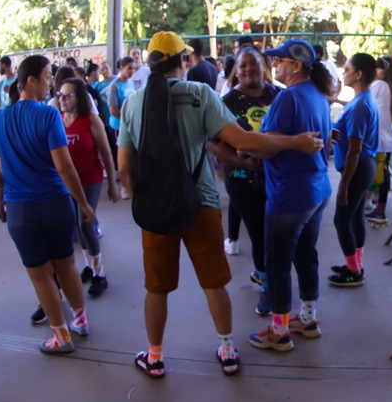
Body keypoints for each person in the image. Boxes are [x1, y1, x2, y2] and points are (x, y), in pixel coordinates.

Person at [117, 32, 323, 378]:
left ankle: (154, 358)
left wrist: (143, 196)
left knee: (157, 288)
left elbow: (124, 167)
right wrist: (295, 142)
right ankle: (227, 351)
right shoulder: (200, 94)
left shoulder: (133, 103)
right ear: (183, 60)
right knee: (213, 283)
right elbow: (242, 140)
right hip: (201, 203)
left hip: (156, 210)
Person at [0, 56, 96, 356]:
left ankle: (61, 336)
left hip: (22, 211)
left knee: (40, 274)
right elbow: (64, 167)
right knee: (67, 265)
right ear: (30, 80)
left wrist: (7, 185)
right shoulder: (49, 115)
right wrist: (83, 203)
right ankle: (81, 321)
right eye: (47, 76)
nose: (51, 84)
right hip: (56, 203)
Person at [246, 39, 333, 352]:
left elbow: (266, 145)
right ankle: (308, 319)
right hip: (316, 190)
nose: (274, 65)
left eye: (279, 60)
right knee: (306, 254)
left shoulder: (288, 97)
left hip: (290, 194)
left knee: (278, 263)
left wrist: (250, 145)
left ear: (296, 66)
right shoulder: (318, 94)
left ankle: (279, 331)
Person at [208, 47, 280, 298]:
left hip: (280, 178)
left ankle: (269, 274)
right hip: (243, 181)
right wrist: (246, 164)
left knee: (278, 232)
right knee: (259, 232)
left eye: (254, 63)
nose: (249, 68)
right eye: (243, 65)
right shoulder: (226, 102)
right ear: (236, 73)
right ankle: (267, 284)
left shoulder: (280, 95)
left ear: (263, 66)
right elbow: (213, 144)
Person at [58, 77, 118, 297]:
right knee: (76, 226)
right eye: (60, 95)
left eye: (68, 95)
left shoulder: (91, 120)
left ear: (79, 98)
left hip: (90, 180)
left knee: (85, 225)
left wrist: (112, 183)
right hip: (68, 183)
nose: (63, 100)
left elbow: (106, 151)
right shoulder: (58, 120)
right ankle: (90, 266)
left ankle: (100, 275)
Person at [328, 53, 379, 288]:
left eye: (347, 69)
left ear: (358, 74)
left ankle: (353, 272)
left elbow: (355, 150)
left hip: (358, 168)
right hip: (363, 167)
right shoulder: (362, 99)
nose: (343, 72)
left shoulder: (360, 105)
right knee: (355, 217)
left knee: (341, 220)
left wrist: (344, 186)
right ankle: (355, 264)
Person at [367, 55, 392, 225]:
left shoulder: (379, 85)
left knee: (378, 174)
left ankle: (379, 211)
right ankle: (379, 208)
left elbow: (364, 101)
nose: (376, 70)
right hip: (388, 139)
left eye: (379, 67)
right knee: (383, 174)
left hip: (379, 140)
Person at [105, 55, 137, 146]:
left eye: (133, 68)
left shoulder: (131, 82)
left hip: (129, 125)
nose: (132, 71)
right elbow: (113, 111)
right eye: (129, 68)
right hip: (118, 126)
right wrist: (128, 120)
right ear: (122, 68)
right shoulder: (114, 86)